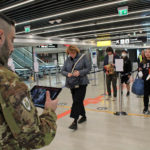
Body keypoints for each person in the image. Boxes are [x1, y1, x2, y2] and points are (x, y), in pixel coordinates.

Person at [0, 13, 58, 149]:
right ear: (0, 36)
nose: (12, 48)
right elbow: (36, 137)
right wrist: (49, 111)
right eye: (12, 39)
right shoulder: (7, 81)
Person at [61, 45, 91, 130]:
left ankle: (74, 121)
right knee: (78, 101)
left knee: (77, 101)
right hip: (72, 84)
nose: (72, 55)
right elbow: (62, 71)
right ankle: (84, 116)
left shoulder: (83, 57)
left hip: (82, 83)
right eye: (70, 53)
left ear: (76, 51)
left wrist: (80, 72)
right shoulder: (67, 59)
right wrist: (68, 74)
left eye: (73, 53)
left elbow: (89, 68)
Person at [139, 48, 150, 114]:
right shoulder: (142, 62)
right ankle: (145, 108)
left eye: (149, 52)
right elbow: (140, 68)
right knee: (146, 95)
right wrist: (140, 71)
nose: (147, 53)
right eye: (146, 52)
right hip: (145, 82)